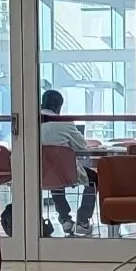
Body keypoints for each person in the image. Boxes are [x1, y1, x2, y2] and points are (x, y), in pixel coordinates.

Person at [39, 88, 100, 235]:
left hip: (38, 172)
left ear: (42, 104)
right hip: (65, 172)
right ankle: (83, 221)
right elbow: (82, 147)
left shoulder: (30, 122)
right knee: (94, 179)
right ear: (58, 107)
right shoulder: (64, 123)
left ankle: (65, 219)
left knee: (53, 176)